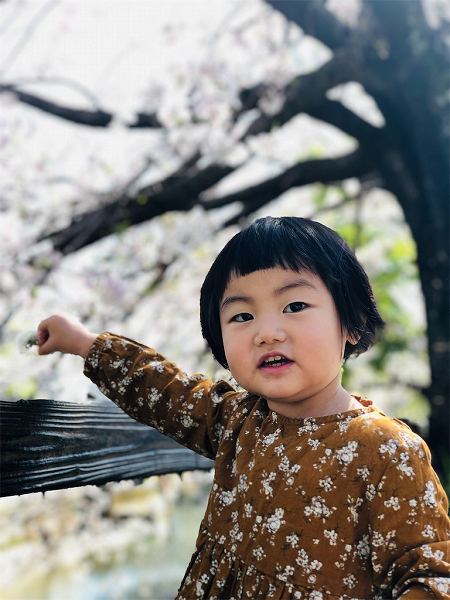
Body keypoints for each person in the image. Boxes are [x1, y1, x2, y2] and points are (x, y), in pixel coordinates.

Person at [38, 216, 450, 599]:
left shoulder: (385, 448)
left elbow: (429, 574)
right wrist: (85, 343)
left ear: (352, 323)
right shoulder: (238, 421)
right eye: (242, 315)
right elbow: (165, 392)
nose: (266, 333)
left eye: (294, 307)